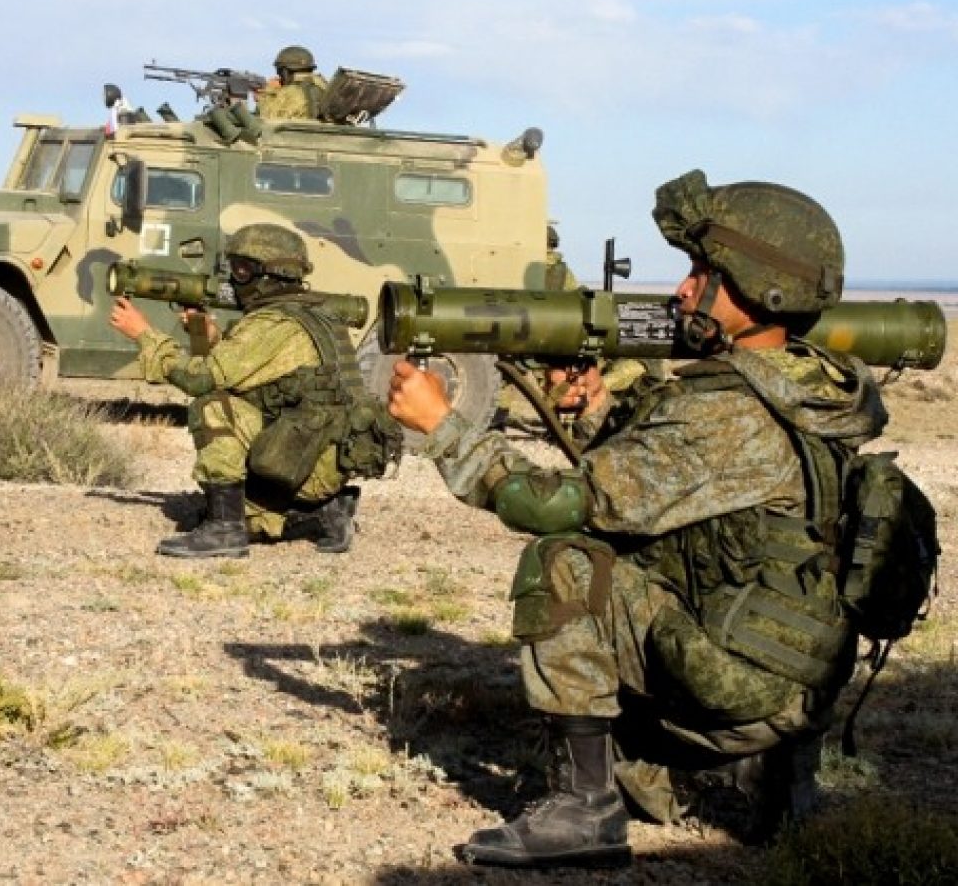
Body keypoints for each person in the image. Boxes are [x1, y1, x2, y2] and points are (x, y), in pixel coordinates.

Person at [387, 169, 887, 867]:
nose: (683, 289)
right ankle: (783, 787)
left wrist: (444, 428)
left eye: (703, 274)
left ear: (757, 289)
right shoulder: (812, 391)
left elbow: (552, 504)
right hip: (798, 684)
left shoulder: (720, 411)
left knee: (567, 562)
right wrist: (598, 412)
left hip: (737, 690)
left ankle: (584, 810)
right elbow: (689, 490)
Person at [110, 223, 399, 558]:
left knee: (213, 407)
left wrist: (144, 334)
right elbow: (257, 372)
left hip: (306, 464)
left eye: (241, 270)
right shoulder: (313, 313)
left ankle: (225, 530)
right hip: (324, 459)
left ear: (269, 273)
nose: (233, 279)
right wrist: (209, 336)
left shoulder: (274, 324)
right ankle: (326, 510)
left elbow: (200, 380)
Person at [256, 45, 329, 120]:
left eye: (279, 71)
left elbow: (268, 119)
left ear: (285, 72)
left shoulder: (291, 92)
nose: (278, 76)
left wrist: (267, 94)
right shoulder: (324, 86)